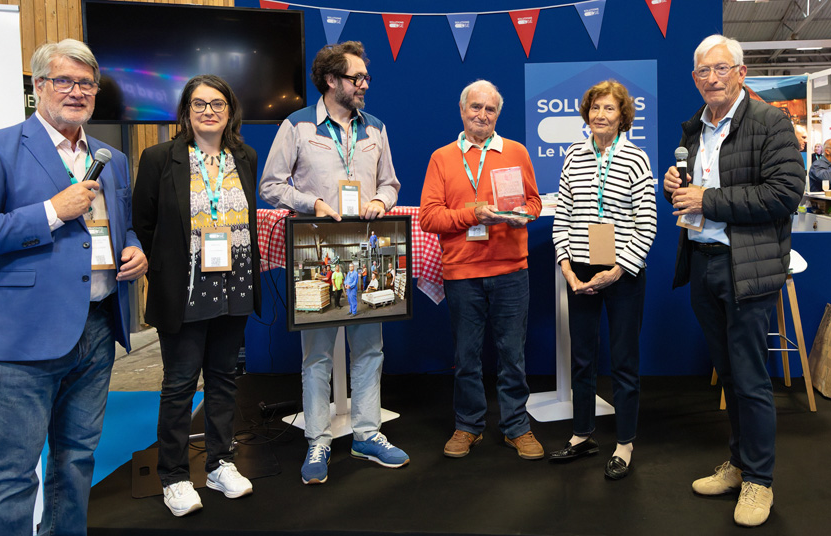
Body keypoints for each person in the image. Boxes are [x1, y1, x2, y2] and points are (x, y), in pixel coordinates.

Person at [0, 39, 146, 536]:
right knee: (11, 473)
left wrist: (134, 250)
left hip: (98, 328)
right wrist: (53, 212)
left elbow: (113, 230)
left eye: (87, 84)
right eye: (65, 81)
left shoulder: (113, 158)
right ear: (38, 87)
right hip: (23, 341)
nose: (78, 92)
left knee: (77, 458)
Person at [663, 35, 805, 527]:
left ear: (741, 73)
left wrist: (708, 199)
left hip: (747, 266)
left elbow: (786, 194)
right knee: (728, 375)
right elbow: (694, 196)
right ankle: (740, 463)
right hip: (703, 262)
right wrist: (676, 192)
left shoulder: (771, 122)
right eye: (703, 71)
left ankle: (760, 481)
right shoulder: (693, 129)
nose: (713, 78)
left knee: (749, 378)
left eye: (722, 69)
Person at [260, 41, 408, 484]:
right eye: (356, 78)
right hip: (317, 249)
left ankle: (367, 433)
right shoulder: (297, 126)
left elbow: (391, 183)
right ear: (331, 81)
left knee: (369, 347)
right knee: (317, 354)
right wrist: (314, 203)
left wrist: (382, 199)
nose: (364, 85)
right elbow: (271, 186)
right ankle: (318, 439)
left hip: (368, 247)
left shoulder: (376, 128)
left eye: (365, 78)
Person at [132, 74, 260, 518]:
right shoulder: (159, 158)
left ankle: (221, 462)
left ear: (230, 111)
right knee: (180, 383)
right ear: (187, 111)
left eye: (218, 103)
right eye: (199, 103)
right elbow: (143, 224)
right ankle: (174, 476)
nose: (209, 111)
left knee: (224, 379)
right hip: (183, 289)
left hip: (234, 282)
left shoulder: (244, 156)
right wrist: (164, 269)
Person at [419, 80, 543, 461]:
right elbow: (429, 217)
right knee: (467, 356)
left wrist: (525, 216)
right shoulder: (442, 157)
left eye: (490, 110)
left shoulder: (516, 151)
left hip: (511, 270)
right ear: (462, 110)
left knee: (512, 355)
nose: (482, 115)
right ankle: (468, 425)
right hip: (463, 272)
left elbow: (535, 201)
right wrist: (473, 213)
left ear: (497, 115)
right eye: (476, 107)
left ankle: (516, 426)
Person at [549, 80, 657, 480]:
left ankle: (625, 444)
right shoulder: (573, 156)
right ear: (586, 113)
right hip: (579, 271)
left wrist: (619, 269)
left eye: (609, 109)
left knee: (625, 360)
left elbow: (647, 222)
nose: (600, 115)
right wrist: (566, 267)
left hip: (623, 274)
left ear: (622, 116)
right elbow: (563, 217)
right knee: (582, 358)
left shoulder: (636, 159)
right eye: (595, 108)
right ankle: (582, 435)